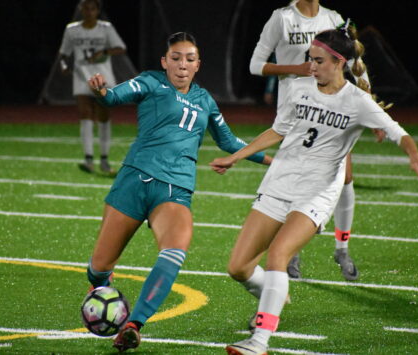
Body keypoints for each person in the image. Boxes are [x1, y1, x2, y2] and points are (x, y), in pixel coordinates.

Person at [211, 24, 418, 355]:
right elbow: (276, 131)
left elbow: (399, 132)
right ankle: (275, 293)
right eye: (309, 60)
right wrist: (237, 157)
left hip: (316, 193)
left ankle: (259, 341)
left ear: (339, 62)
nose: (310, 67)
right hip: (279, 182)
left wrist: (413, 154)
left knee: (278, 256)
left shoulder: (357, 101)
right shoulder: (300, 89)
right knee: (238, 267)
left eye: (318, 61)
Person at [85, 32, 271, 352]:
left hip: (175, 189)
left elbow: (228, 142)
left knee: (175, 250)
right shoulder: (150, 82)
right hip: (133, 182)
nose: (181, 65)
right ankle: (103, 290)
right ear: (164, 62)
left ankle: (133, 324)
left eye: (189, 59)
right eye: (175, 58)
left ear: (198, 65)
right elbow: (113, 97)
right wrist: (102, 91)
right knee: (98, 268)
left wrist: (271, 161)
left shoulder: (206, 101)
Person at [249, 0, 377, 281]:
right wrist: (297, 68)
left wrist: (369, 100)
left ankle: (341, 248)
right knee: (294, 180)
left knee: (345, 178)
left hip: (333, 109)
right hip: (296, 113)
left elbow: (354, 62)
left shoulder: (333, 18)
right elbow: (255, 65)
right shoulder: (281, 19)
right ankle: (291, 250)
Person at [59, 0, 126, 174]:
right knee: (85, 115)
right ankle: (88, 159)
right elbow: (63, 54)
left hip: (103, 78)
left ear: (97, 10)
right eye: (85, 8)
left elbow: (120, 48)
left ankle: (104, 159)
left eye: (92, 8)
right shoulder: (72, 29)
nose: (89, 12)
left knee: (103, 117)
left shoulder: (106, 28)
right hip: (82, 77)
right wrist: (64, 65)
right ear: (81, 9)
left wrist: (104, 52)